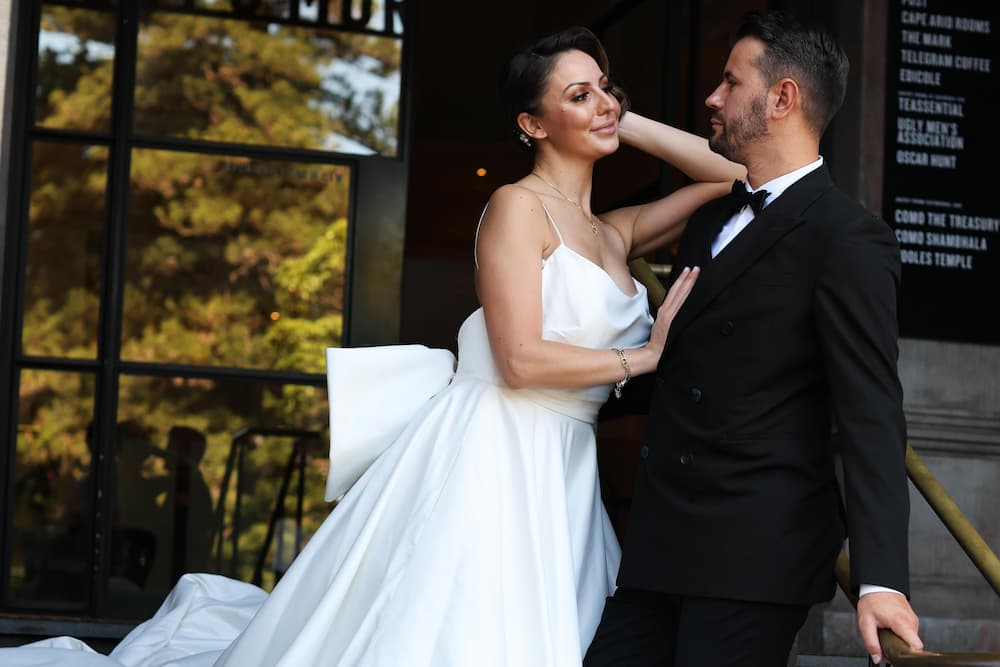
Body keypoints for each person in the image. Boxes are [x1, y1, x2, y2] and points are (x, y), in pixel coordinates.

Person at [0, 26, 742, 667]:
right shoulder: (517, 208)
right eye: (576, 96)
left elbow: (737, 176)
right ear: (532, 123)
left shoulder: (611, 230)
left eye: (604, 88)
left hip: (563, 470)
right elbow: (518, 360)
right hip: (492, 458)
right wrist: (639, 360)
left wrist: (619, 116)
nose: (601, 102)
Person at [584, 10, 923, 667]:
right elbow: (688, 366)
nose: (712, 98)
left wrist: (882, 577)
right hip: (659, 547)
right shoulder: (712, 215)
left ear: (782, 98)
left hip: (754, 560)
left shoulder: (848, 238)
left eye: (729, 82)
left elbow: (872, 414)